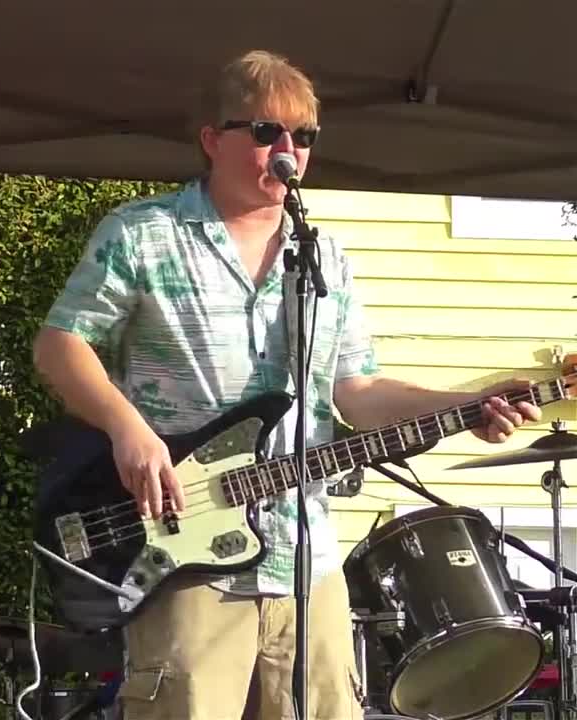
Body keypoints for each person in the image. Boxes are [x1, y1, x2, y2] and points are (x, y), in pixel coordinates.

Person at [31, 50, 541, 720]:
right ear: (213, 140)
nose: (289, 150)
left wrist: (465, 407)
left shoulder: (322, 256)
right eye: (267, 132)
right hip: (182, 552)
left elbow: (355, 391)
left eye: (304, 137)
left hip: (306, 557)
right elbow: (59, 345)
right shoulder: (144, 234)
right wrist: (131, 433)